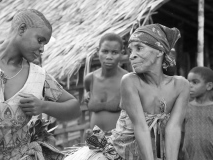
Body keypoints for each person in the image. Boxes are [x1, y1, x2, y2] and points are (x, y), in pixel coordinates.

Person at [65, 23, 190, 160]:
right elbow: (140, 127)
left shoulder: (181, 85)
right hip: (119, 155)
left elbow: (173, 128)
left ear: (160, 51)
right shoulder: (130, 81)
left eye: (139, 48)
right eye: (131, 50)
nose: (132, 56)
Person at [0, 9, 81, 160]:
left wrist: (43, 106)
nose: (42, 49)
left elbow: (74, 107)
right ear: (22, 29)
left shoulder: (38, 77)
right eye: (40, 40)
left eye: (45, 44)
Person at [182, 66, 213, 160]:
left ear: (209, 86)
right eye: (188, 81)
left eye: (195, 82)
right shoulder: (184, 109)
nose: (190, 85)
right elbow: (178, 137)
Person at [84, 33, 128, 134]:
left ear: (121, 53)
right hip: (94, 142)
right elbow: (87, 98)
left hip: (119, 143)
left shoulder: (127, 80)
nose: (109, 57)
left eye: (114, 52)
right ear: (97, 51)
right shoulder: (90, 79)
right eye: (105, 51)